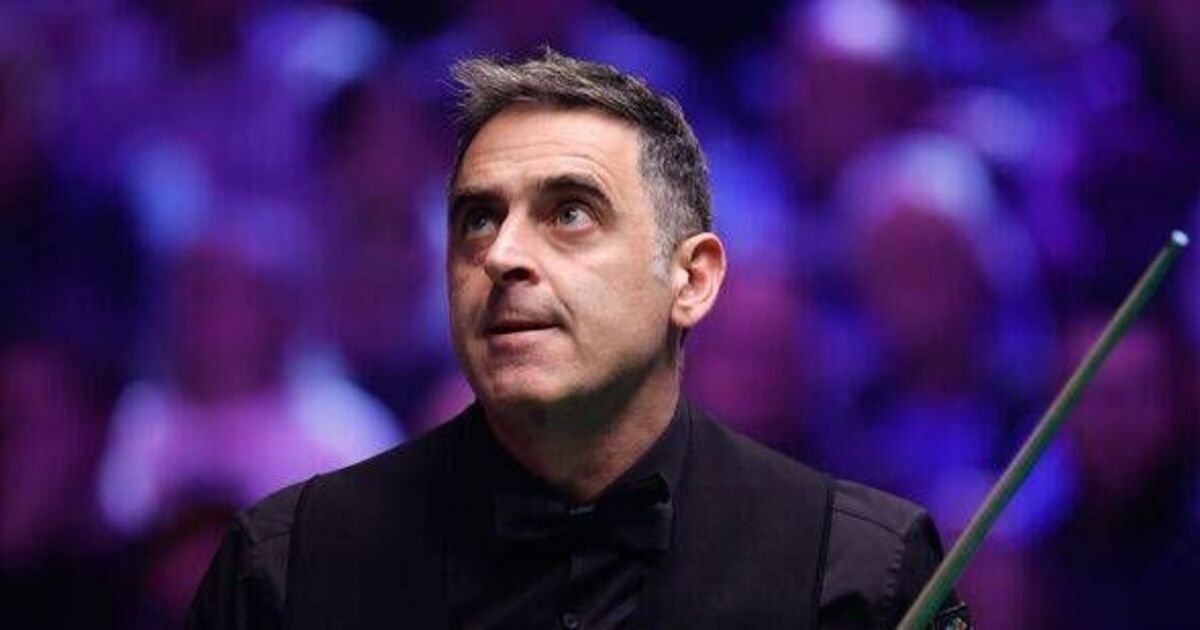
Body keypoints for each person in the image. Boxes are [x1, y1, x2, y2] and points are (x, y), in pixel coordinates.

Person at [187, 49, 970, 629]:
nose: (503, 256)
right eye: (478, 219)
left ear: (691, 279)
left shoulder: (863, 574)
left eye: (569, 214)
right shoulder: (287, 565)